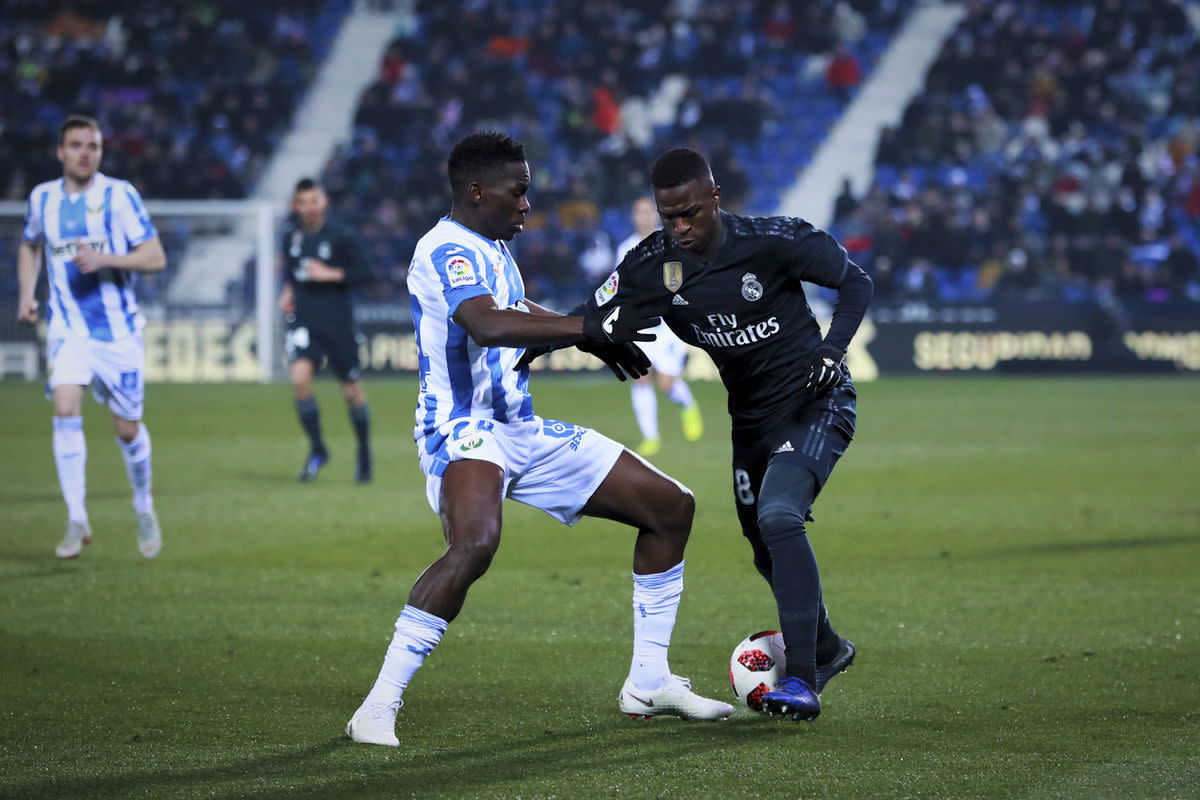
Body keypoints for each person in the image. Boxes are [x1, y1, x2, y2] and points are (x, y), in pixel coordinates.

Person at [344, 131, 733, 746]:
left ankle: (648, 680)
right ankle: (377, 706)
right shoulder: (446, 249)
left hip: (519, 427)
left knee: (670, 507)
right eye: (518, 192)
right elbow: (486, 324)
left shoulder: (495, 249)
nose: (527, 204)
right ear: (478, 192)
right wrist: (587, 329)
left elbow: (521, 313)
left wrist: (594, 333)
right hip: (462, 428)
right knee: (475, 544)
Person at [569, 147, 872, 721]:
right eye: (669, 216)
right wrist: (555, 340)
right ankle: (827, 647)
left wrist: (833, 351)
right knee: (762, 543)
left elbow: (855, 282)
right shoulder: (653, 263)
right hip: (751, 421)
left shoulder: (774, 240)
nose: (680, 227)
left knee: (779, 517)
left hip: (814, 400)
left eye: (690, 213)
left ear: (715, 198)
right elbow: (588, 315)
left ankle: (803, 679)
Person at [15, 114, 167, 560]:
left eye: (93, 146)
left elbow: (155, 257)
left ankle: (144, 505)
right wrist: (27, 294)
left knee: (127, 429)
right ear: (61, 152)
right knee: (65, 408)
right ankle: (76, 516)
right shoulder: (42, 198)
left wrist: (106, 260)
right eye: (77, 145)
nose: (86, 153)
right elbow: (29, 243)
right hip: (68, 328)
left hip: (117, 332)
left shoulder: (119, 196)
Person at [278, 178, 374, 484]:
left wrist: (330, 273)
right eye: (303, 202)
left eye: (313, 201)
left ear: (324, 202)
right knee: (299, 380)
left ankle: (364, 451)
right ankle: (318, 449)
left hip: (337, 323)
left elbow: (366, 273)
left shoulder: (341, 234)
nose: (309, 207)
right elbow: (292, 273)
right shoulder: (289, 236)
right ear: (296, 205)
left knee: (351, 392)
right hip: (304, 321)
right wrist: (287, 292)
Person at [615, 197, 703, 457]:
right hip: (640, 325)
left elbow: (680, 280)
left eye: (647, 211)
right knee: (641, 378)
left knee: (666, 383)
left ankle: (688, 405)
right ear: (634, 216)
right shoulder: (625, 248)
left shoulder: (670, 243)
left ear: (655, 215)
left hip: (668, 325)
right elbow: (619, 285)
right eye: (639, 212)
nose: (644, 216)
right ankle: (650, 438)